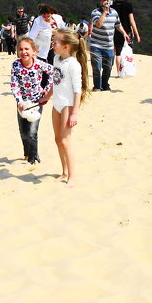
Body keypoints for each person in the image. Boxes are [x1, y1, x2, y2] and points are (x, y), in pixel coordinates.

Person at [50, 29, 92, 186]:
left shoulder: (74, 65)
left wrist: (75, 113)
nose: (53, 45)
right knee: (57, 139)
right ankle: (64, 171)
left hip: (67, 106)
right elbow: (55, 81)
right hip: (56, 104)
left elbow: (77, 90)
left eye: (56, 42)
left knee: (66, 141)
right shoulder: (56, 59)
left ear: (66, 46)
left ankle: (72, 176)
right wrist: (47, 96)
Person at [10, 37, 54, 165]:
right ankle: (27, 153)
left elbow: (55, 73)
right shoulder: (16, 65)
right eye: (21, 49)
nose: (24, 52)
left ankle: (33, 158)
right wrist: (19, 101)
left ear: (34, 51)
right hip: (22, 103)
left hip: (36, 102)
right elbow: (14, 84)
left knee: (32, 131)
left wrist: (47, 90)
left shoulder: (39, 64)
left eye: (27, 49)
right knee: (23, 131)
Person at [88, 0, 128, 92]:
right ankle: (97, 86)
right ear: (100, 2)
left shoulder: (114, 13)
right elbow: (98, 25)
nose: (106, 3)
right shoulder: (95, 12)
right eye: (103, 1)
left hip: (109, 46)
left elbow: (118, 25)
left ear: (111, 1)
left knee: (108, 67)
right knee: (96, 67)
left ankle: (105, 85)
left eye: (108, 1)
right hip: (96, 45)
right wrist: (105, 12)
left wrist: (124, 33)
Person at [112, 0, 141, 73]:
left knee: (118, 52)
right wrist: (137, 34)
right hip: (127, 31)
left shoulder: (113, 4)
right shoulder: (128, 5)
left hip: (116, 30)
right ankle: (127, 70)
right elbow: (132, 20)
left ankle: (118, 72)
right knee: (128, 50)